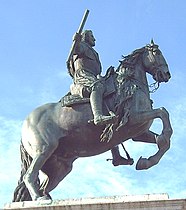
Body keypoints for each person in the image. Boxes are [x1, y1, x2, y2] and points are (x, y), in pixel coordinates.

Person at [68, 30, 116, 125]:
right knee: (97, 86)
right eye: (91, 36)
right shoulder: (83, 46)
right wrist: (76, 40)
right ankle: (98, 116)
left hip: (93, 76)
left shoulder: (93, 52)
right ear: (85, 37)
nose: (94, 39)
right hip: (83, 75)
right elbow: (76, 50)